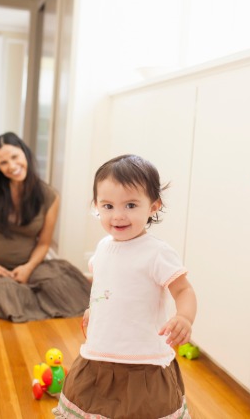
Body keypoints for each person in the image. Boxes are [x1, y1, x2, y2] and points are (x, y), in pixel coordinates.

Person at [53, 154, 197, 419]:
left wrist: (184, 317)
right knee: (98, 405)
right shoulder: (103, 247)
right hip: (101, 350)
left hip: (143, 359)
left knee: (140, 408)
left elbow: (183, 290)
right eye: (107, 206)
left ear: (153, 206)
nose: (118, 216)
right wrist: (93, 309)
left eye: (131, 205)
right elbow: (106, 285)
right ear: (96, 205)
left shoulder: (156, 253)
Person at [0, 132, 91, 322]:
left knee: (64, 287)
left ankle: (32, 291)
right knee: (8, 295)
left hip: (29, 266)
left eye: (14, 157)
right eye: (3, 163)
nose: (12, 166)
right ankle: (29, 295)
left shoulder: (49, 196)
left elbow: (43, 243)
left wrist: (28, 269)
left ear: (25, 153)